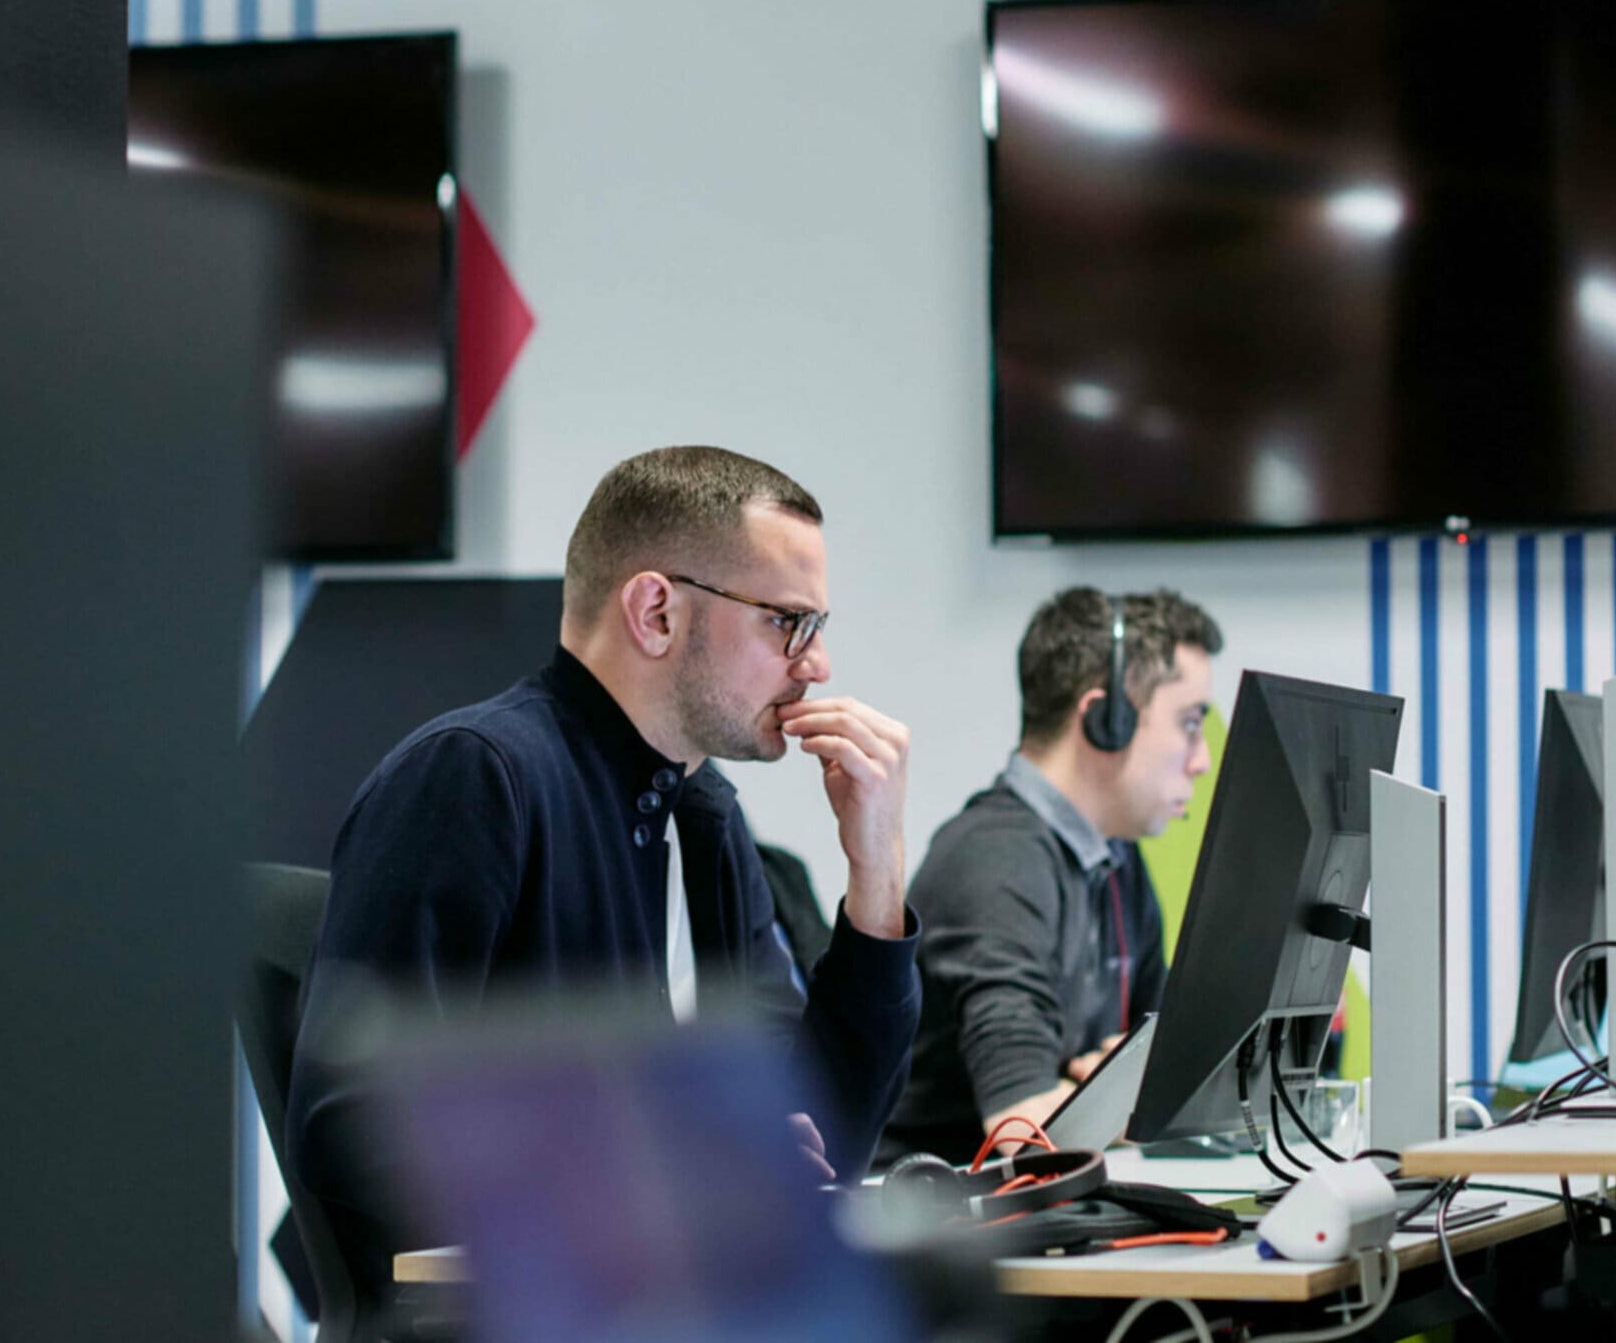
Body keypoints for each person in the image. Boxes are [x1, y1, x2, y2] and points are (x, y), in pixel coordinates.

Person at [286, 446, 922, 1306]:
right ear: (655, 610)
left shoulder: (706, 816)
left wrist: (875, 872)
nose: (815, 665)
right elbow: (350, 1122)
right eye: (787, 621)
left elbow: (821, 1137)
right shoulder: (475, 775)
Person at [880, 587, 1221, 1163]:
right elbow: (1027, 1132)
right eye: (1189, 724)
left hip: (1038, 1221)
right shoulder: (996, 864)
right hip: (940, 1234)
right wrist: (1118, 1096)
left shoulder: (1113, 855)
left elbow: (1166, 1065)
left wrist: (1123, 1086)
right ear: (1104, 721)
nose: (1202, 758)